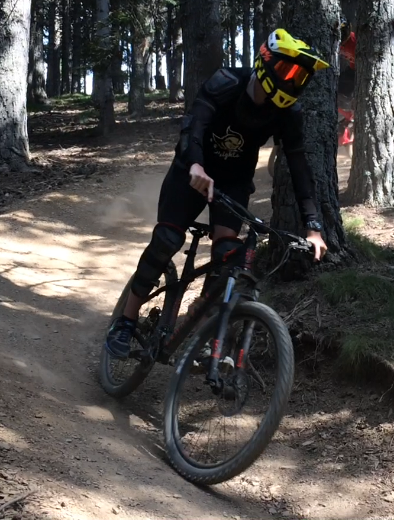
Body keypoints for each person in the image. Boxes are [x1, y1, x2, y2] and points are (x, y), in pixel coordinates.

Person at [105, 29, 330, 358]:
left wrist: (314, 225)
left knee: (229, 255)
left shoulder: (287, 113)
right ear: (266, 62)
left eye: (300, 77)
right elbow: (193, 126)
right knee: (167, 241)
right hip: (190, 172)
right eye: (288, 72)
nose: (293, 82)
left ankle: (201, 323)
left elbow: (298, 164)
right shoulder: (226, 82)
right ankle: (125, 321)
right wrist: (196, 165)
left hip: (234, 182)